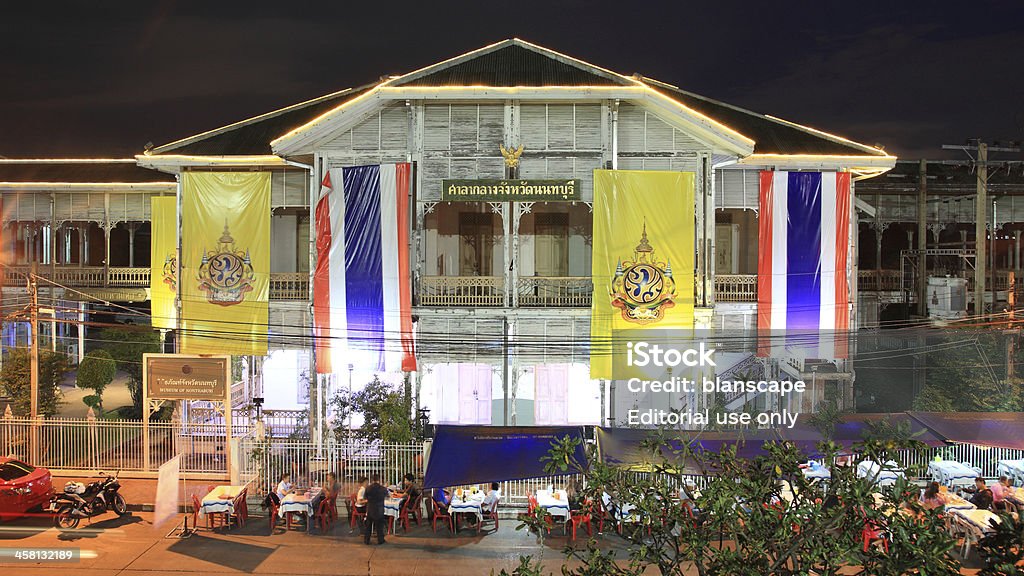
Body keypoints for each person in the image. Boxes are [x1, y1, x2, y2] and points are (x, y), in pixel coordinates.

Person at [363, 474, 388, 545]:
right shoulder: (382, 488)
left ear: (372, 480)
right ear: (379, 480)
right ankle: (380, 540)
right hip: (379, 509)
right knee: (379, 527)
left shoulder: (368, 488)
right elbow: (386, 495)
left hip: (370, 509)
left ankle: (366, 540)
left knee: (368, 526)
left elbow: (366, 498)